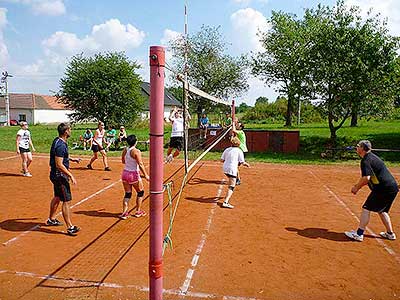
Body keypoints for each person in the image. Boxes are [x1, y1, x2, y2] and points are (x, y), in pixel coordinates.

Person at [345, 140, 399, 242]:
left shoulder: (366, 160)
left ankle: (359, 234)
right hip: (391, 187)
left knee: (366, 208)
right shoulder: (372, 157)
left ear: (362, 148)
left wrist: (356, 187)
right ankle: (390, 233)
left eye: (358, 146)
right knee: (382, 210)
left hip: (383, 188)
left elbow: (366, 178)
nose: (356, 147)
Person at [46, 123, 81, 236]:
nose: (70, 131)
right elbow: (59, 164)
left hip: (55, 175)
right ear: (66, 132)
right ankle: (70, 227)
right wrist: (70, 175)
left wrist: (72, 159)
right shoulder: (61, 145)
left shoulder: (58, 141)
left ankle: (51, 219)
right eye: (69, 129)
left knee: (57, 197)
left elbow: (61, 156)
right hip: (59, 176)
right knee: (67, 200)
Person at [119, 134, 150, 219]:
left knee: (128, 194)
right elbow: (140, 164)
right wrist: (146, 175)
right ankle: (138, 211)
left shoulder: (125, 149)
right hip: (133, 175)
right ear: (135, 142)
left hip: (125, 174)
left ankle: (125, 213)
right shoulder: (136, 151)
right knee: (140, 192)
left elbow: (123, 161)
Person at [220, 136, 250, 209]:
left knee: (232, 179)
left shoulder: (227, 149)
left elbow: (221, 160)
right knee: (232, 186)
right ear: (238, 144)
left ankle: (236, 180)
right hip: (232, 169)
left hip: (225, 169)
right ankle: (225, 202)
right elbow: (242, 162)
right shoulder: (239, 151)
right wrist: (247, 164)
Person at [232, 121, 248, 185]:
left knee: (235, 166)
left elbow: (233, 130)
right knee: (235, 166)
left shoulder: (241, 132)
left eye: (238, 125)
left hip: (242, 151)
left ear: (241, 127)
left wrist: (233, 123)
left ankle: (238, 179)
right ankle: (237, 179)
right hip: (239, 151)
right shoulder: (239, 133)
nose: (236, 125)